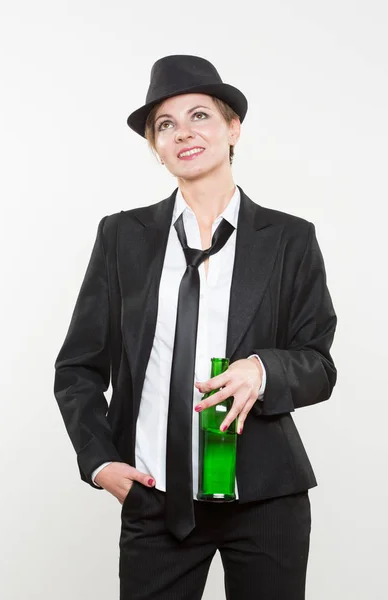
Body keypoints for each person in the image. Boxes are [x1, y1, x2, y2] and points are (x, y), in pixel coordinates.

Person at [54, 54, 337, 600]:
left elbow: (319, 365)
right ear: (157, 149)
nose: (183, 132)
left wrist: (263, 369)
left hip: (265, 498)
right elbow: (78, 367)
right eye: (166, 125)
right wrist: (99, 461)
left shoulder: (290, 239)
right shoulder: (121, 238)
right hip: (155, 498)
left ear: (233, 129)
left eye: (200, 115)